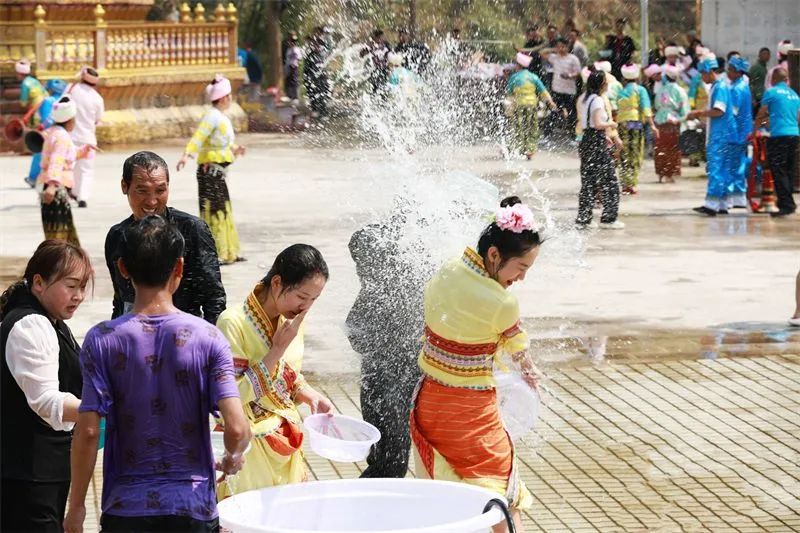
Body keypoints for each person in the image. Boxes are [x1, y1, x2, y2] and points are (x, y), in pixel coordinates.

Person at [63, 216, 251, 533]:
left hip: (125, 507)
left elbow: (89, 432)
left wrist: (77, 507)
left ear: (123, 269)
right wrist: (233, 457)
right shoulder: (208, 338)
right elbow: (236, 427)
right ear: (179, 268)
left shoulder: (102, 339)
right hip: (192, 506)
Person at [409, 196, 542, 533]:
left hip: (429, 402)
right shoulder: (502, 302)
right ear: (495, 255)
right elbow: (516, 344)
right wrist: (529, 371)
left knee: (442, 498)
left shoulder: (449, 269)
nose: (522, 278)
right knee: (503, 497)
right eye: (521, 268)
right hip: (470, 414)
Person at [215, 244, 334, 496]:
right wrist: (277, 350)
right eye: (302, 297)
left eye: (314, 299)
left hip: (285, 437)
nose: (306, 307)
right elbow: (230, 397)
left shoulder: (292, 319)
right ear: (277, 282)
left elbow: (288, 374)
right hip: (247, 447)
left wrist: (308, 394)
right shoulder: (233, 322)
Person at [1, 240, 92, 532]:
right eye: (71, 286)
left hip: (42, 473)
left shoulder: (51, 321)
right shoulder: (31, 325)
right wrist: (103, 409)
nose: (78, 296)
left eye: (83, 287)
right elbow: (45, 401)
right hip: (28, 476)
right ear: (39, 283)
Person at [346, 201, 434, 479]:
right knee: (390, 462)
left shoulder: (405, 289)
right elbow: (357, 336)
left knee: (392, 461)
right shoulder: (376, 296)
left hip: (404, 382)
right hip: (382, 386)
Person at [106, 151, 226, 323]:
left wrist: (208, 342)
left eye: (160, 190)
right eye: (142, 191)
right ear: (125, 186)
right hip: (133, 339)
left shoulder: (191, 230)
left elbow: (214, 299)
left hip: (184, 336)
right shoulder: (117, 236)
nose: (152, 201)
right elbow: (120, 298)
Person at [177, 74, 246, 265]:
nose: (231, 99)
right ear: (224, 98)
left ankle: (230, 251)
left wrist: (236, 149)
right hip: (209, 172)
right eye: (230, 95)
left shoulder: (222, 118)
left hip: (219, 172)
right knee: (213, 211)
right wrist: (187, 155)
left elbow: (224, 144)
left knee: (224, 209)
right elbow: (198, 138)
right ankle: (217, 252)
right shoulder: (212, 117)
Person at [39, 96, 91, 246]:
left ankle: (63, 263)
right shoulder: (61, 137)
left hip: (53, 187)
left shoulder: (54, 133)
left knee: (60, 232)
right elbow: (57, 160)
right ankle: (60, 264)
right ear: (70, 121)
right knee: (59, 234)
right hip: (56, 189)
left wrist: (83, 151)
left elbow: (68, 154)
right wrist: (52, 185)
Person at [688, 55, 736, 216]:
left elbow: (719, 111)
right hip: (721, 134)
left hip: (719, 136)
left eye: (702, 73)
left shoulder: (720, 87)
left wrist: (698, 113)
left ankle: (711, 205)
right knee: (722, 170)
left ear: (709, 71)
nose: (701, 77)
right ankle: (722, 204)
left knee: (715, 170)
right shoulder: (719, 86)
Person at [576, 71, 624, 229]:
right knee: (610, 180)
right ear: (601, 84)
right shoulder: (597, 100)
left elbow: (586, 123)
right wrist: (611, 125)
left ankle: (584, 218)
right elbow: (597, 123)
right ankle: (609, 218)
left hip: (586, 141)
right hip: (596, 141)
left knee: (588, 181)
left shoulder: (583, 98)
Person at [755, 68, 800, 217]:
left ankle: (787, 205)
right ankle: (786, 202)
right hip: (793, 135)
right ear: (786, 79)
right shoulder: (794, 95)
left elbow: (762, 113)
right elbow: (798, 117)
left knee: (778, 170)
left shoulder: (771, 92)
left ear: (774, 79)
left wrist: (755, 130)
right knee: (788, 170)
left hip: (779, 136)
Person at [506, 52, 561, 159]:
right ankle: (530, 150)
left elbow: (509, 94)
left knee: (519, 126)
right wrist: (551, 102)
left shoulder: (513, 77)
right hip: (531, 105)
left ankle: (517, 148)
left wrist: (508, 109)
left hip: (518, 105)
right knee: (532, 126)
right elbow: (543, 91)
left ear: (518, 65)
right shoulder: (533, 77)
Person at [616, 63, 658, 194]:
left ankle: (624, 184)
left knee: (623, 154)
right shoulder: (640, 90)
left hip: (621, 125)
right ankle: (632, 184)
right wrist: (652, 125)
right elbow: (646, 109)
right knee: (635, 154)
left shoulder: (621, 91)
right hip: (635, 125)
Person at [66, 67, 104, 208]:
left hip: (69, 136)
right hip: (88, 138)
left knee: (69, 166)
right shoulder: (97, 98)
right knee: (86, 169)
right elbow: (98, 119)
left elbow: (61, 105)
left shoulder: (71, 88)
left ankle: (71, 192)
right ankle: (82, 196)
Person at [26, 79, 67, 189]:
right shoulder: (66, 100)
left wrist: (42, 128)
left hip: (48, 133)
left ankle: (33, 178)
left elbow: (45, 118)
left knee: (40, 155)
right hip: (63, 132)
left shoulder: (48, 101)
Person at [653, 65, 690, 183]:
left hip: (660, 121)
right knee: (672, 148)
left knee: (660, 147)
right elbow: (684, 110)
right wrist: (681, 119)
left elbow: (656, 105)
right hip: (673, 122)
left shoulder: (661, 90)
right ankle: (670, 174)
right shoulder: (680, 91)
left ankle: (660, 173)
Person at [725, 55, 753, 210]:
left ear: (737, 71)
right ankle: (739, 196)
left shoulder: (736, 89)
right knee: (739, 165)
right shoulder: (744, 86)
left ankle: (730, 197)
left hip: (734, 133)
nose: (728, 72)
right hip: (742, 133)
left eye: (730, 69)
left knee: (731, 166)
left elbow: (732, 113)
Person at [540, 37, 581, 138]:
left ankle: (573, 135)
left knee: (571, 114)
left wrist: (569, 76)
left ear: (567, 47)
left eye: (563, 47)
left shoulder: (573, 59)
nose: (561, 49)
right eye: (559, 47)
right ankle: (547, 134)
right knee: (553, 112)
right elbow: (542, 52)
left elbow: (578, 73)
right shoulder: (555, 57)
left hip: (569, 91)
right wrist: (554, 49)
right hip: (557, 90)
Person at [16, 58, 47, 188]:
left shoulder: (25, 84)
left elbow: (23, 102)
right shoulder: (35, 82)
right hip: (45, 111)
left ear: (19, 74)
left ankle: (33, 177)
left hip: (36, 114)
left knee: (38, 147)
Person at [304, 26, 332, 116]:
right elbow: (307, 51)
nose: (316, 35)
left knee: (322, 90)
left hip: (320, 70)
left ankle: (323, 111)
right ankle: (314, 110)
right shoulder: (310, 43)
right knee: (311, 91)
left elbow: (327, 54)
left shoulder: (324, 44)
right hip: (310, 70)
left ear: (321, 34)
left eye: (318, 33)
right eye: (315, 33)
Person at [749, 47, 771, 113]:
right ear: (759, 55)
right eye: (764, 54)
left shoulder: (764, 67)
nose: (766, 56)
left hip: (762, 97)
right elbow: (750, 82)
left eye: (768, 54)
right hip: (757, 98)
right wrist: (753, 99)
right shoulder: (756, 67)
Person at [283, 32, 302, 101]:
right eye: (291, 41)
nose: (292, 43)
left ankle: (295, 97)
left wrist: (296, 63)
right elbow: (286, 59)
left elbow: (299, 58)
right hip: (288, 66)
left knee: (294, 81)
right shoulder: (288, 49)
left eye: (294, 41)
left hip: (294, 66)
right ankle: (289, 96)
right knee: (288, 81)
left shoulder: (297, 49)